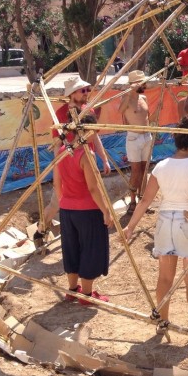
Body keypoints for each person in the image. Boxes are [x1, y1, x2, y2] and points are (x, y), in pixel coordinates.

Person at [124, 116, 188, 344]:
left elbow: (145, 201)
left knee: (164, 278)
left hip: (165, 223)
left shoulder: (161, 166)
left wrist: (130, 227)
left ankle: (162, 323)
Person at [38, 75, 111, 241]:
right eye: (82, 90)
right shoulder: (60, 114)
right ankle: (41, 228)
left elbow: (95, 136)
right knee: (58, 202)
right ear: (72, 93)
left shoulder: (88, 109)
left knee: (93, 195)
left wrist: (104, 158)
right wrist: (59, 169)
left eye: (86, 90)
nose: (86, 93)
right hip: (69, 165)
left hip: (87, 162)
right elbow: (57, 144)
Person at [53, 112, 112, 305]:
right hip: (87, 210)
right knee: (90, 248)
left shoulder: (63, 149)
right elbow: (93, 188)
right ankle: (86, 294)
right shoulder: (86, 154)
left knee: (71, 247)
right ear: (88, 131)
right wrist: (105, 210)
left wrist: (65, 201)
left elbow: (57, 183)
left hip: (67, 209)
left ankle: (72, 290)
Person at [119, 70, 153, 213]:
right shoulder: (126, 98)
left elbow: (147, 116)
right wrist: (128, 93)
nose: (145, 85)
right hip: (134, 137)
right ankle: (132, 201)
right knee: (136, 170)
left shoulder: (143, 98)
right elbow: (120, 110)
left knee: (145, 170)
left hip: (146, 137)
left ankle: (143, 199)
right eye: (142, 83)